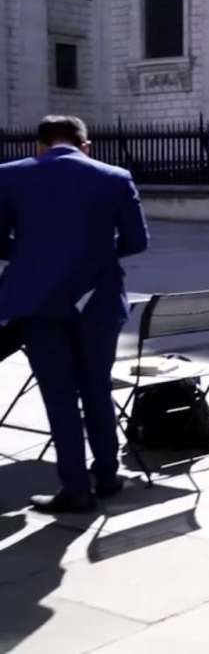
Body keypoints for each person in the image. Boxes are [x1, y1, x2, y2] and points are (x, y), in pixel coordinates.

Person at [0, 116, 150, 513]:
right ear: (87, 146)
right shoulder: (115, 176)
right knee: (96, 388)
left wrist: (38, 257)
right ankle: (107, 475)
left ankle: (75, 488)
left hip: (38, 302)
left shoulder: (9, 176)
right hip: (97, 300)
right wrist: (90, 256)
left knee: (59, 395)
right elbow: (137, 241)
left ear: (39, 146)